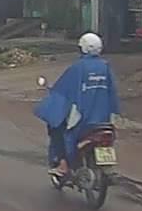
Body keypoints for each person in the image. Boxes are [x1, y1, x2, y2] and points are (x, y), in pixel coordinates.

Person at [33, 32, 120, 177]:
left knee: (57, 128)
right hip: (105, 120)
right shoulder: (105, 67)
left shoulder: (77, 68)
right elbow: (113, 92)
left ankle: (63, 165)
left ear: (83, 48)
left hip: (83, 121)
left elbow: (63, 91)